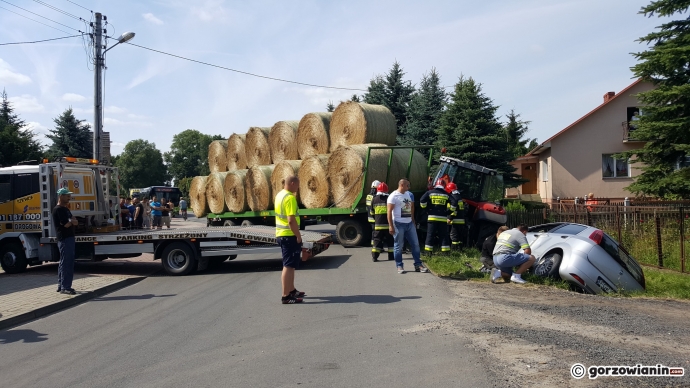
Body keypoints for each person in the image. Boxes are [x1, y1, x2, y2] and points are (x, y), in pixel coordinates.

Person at [275, 176, 305, 304]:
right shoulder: (290, 198)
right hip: (289, 235)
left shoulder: (279, 195)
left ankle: (291, 290)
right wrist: (298, 235)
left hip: (282, 234)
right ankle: (285, 296)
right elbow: (291, 220)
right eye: (297, 186)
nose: (297, 188)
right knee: (287, 266)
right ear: (292, 183)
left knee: (291, 265)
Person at [387, 178, 426, 274]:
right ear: (402, 185)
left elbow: (411, 207)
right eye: (408, 185)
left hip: (409, 224)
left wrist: (413, 219)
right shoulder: (393, 196)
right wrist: (391, 226)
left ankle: (418, 265)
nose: (409, 187)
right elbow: (389, 211)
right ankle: (399, 265)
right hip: (398, 224)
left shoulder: (409, 195)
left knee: (415, 244)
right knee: (398, 246)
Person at [420, 179, 457, 256]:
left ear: (436, 184)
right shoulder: (446, 194)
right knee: (443, 235)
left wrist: (427, 210)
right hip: (442, 218)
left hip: (432, 218)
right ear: (444, 185)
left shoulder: (429, 193)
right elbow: (454, 203)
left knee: (430, 234)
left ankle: (428, 252)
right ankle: (445, 252)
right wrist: (448, 212)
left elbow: (422, 200)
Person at [53, 188, 78, 295]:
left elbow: (74, 221)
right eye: (67, 195)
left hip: (69, 237)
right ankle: (65, 287)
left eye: (69, 195)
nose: (69, 197)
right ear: (61, 196)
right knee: (66, 263)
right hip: (64, 238)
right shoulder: (58, 210)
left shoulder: (66, 209)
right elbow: (66, 224)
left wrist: (71, 221)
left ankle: (61, 285)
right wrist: (71, 221)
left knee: (65, 262)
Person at [370, 181, 394, 262]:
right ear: (387, 190)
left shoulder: (374, 199)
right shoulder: (389, 199)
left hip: (378, 225)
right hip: (388, 225)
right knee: (390, 241)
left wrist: (377, 219)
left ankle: (375, 257)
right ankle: (391, 256)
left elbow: (372, 212)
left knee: (377, 241)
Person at [446, 182, 466, 251]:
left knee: (454, 236)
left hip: (455, 220)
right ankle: (460, 249)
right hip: (461, 220)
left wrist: (449, 218)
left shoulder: (453, 198)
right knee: (460, 236)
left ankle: (454, 251)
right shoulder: (459, 197)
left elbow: (454, 210)